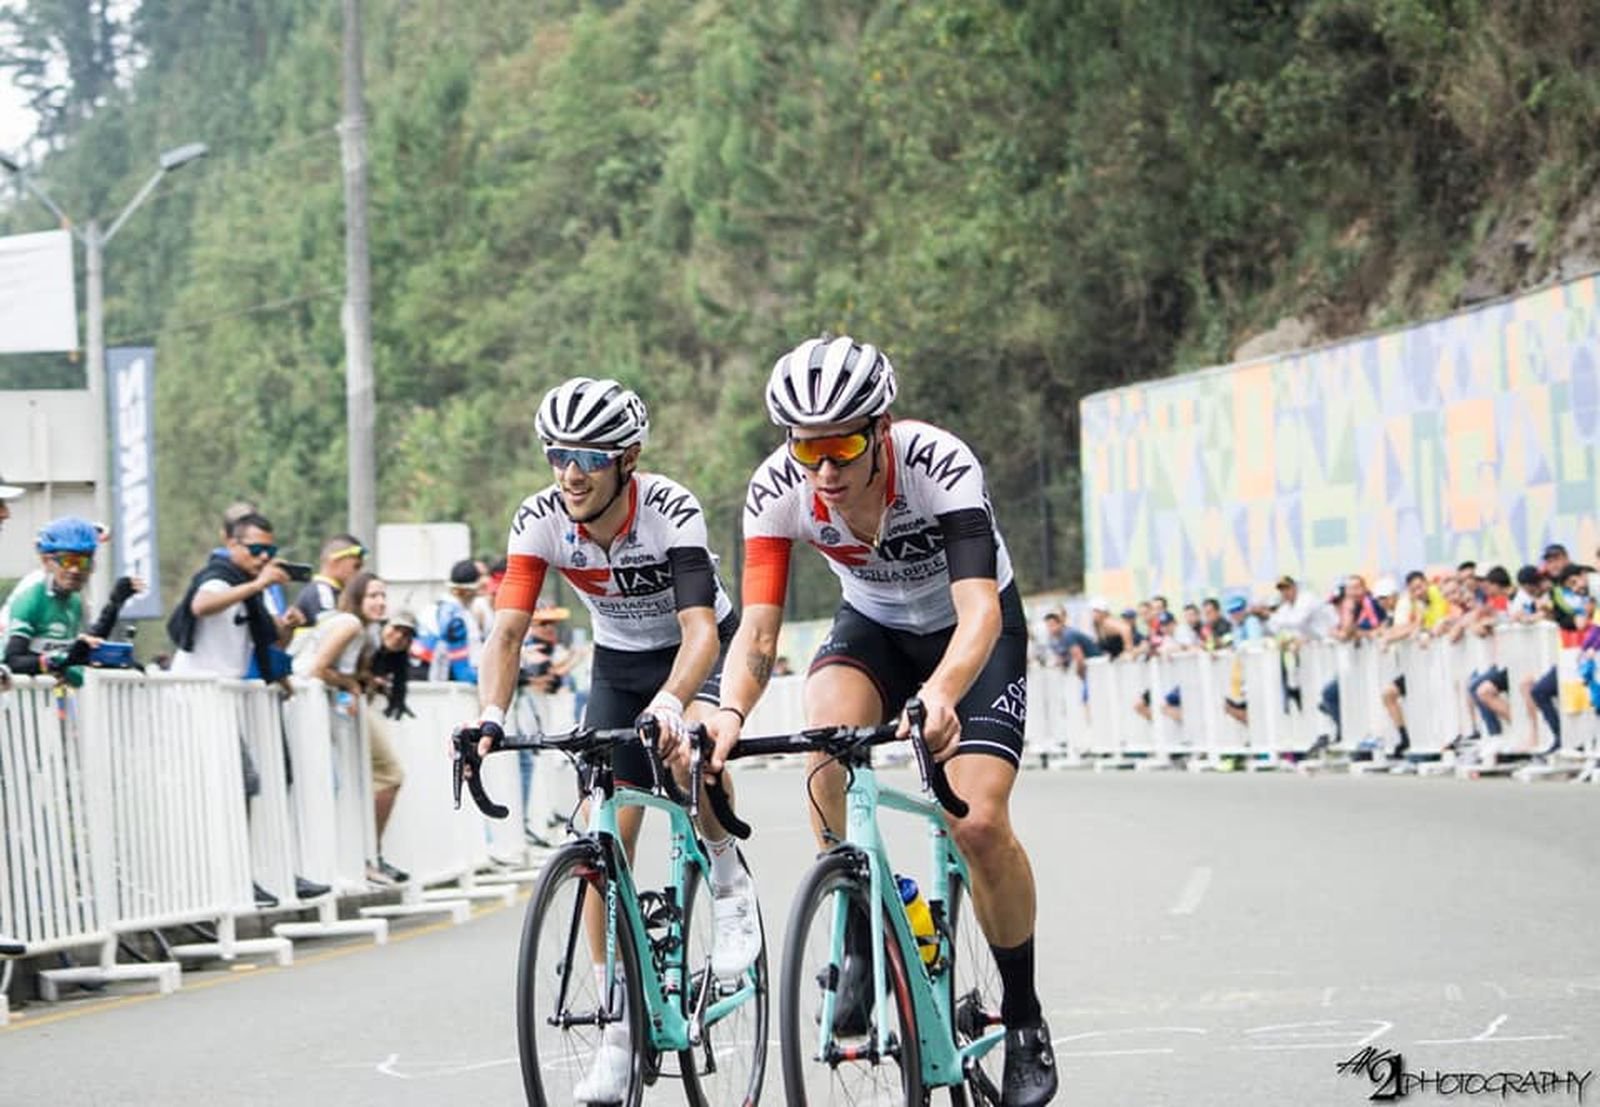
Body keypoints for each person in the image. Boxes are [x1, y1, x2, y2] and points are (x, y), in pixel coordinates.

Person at [704, 335, 1057, 1105]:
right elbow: (758, 634)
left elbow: (978, 611)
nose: (824, 470)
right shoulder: (777, 491)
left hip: (972, 636)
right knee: (823, 737)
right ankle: (859, 916)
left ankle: (1024, 1013)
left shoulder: (940, 466)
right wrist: (727, 712)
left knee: (979, 824)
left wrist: (940, 692)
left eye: (843, 445)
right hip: (872, 627)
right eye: (807, 448)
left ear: (882, 428)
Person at [471, 376, 759, 1103]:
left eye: (590, 456)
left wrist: (674, 704)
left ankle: (728, 880)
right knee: (605, 838)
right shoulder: (539, 519)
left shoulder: (670, 510)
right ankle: (620, 1029)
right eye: (557, 452)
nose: (570, 470)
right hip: (619, 663)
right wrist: (489, 719)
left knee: (687, 754)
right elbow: (508, 629)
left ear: (627, 458)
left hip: (697, 650)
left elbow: (700, 631)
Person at [167, 512, 329, 906]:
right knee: (239, 782)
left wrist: (286, 624)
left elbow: (265, 636)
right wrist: (259, 583)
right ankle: (233, 877)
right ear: (234, 546)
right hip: (196, 696)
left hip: (224, 698)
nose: (263, 558)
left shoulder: (247, 588)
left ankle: (247, 874)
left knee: (251, 782)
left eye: (269, 551)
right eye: (256, 550)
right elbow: (202, 606)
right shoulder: (220, 575)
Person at [295, 571, 409, 886]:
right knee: (388, 774)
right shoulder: (350, 624)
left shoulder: (367, 631)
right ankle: (365, 856)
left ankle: (365, 857)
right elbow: (318, 668)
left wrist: (364, 681)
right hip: (308, 705)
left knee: (352, 781)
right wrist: (349, 683)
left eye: (383, 595)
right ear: (357, 597)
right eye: (373, 595)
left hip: (330, 707)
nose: (380, 601)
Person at [3, 518, 143, 687]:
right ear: (47, 562)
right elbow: (13, 661)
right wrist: (58, 660)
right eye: (68, 561)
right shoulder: (31, 595)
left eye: (83, 562)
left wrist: (115, 603)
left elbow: (86, 646)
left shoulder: (74, 598)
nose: (75, 570)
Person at [292, 534, 367, 628]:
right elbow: (330, 631)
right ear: (334, 561)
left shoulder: (334, 592)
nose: (360, 573)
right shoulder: (323, 591)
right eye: (356, 566)